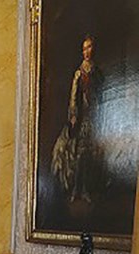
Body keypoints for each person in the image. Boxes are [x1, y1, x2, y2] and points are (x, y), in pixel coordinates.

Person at [51, 35, 103, 204]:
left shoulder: (97, 73)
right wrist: (73, 115)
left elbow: (102, 96)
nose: (87, 51)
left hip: (94, 118)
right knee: (79, 154)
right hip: (80, 119)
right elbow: (73, 97)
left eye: (89, 48)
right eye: (84, 48)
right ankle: (76, 189)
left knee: (90, 155)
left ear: (93, 49)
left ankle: (86, 189)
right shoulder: (79, 74)